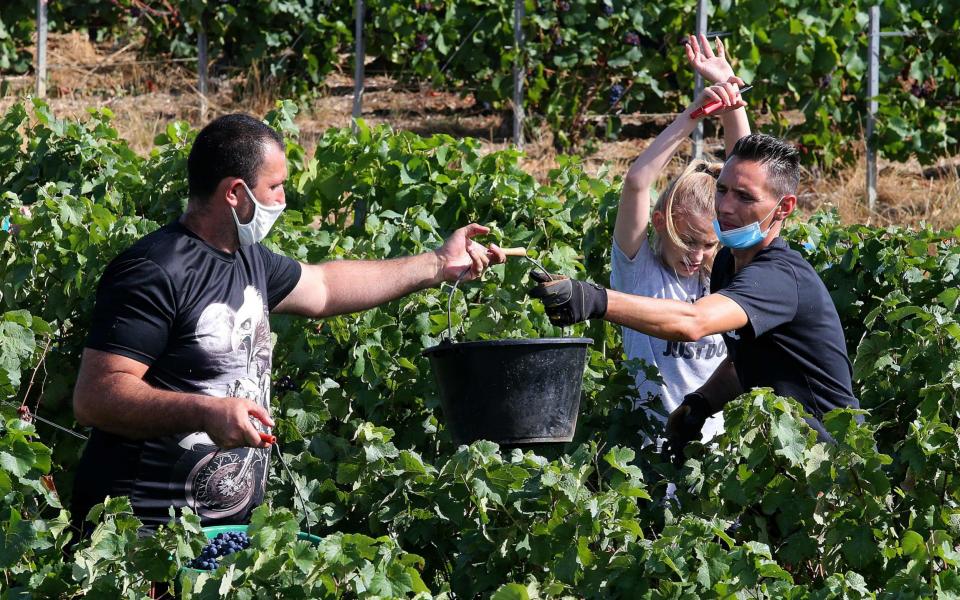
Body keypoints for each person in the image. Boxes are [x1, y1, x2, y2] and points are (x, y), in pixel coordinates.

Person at [70, 113, 506, 532]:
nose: (282, 200)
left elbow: (325, 287)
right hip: (143, 540)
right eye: (275, 187)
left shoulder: (248, 258)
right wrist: (206, 412)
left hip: (222, 538)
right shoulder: (155, 270)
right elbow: (96, 397)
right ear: (235, 193)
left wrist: (437, 264)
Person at [530, 132, 859, 447]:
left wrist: (594, 299)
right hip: (785, 456)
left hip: (830, 464)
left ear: (784, 208)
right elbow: (743, 361)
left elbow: (693, 322)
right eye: (723, 190)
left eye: (744, 197)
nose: (725, 206)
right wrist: (701, 402)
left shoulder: (779, 277)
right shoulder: (727, 262)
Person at [611, 34, 749, 443]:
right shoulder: (638, 270)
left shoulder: (726, 271)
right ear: (659, 222)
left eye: (709, 244)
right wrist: (694, 113)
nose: (698, 255)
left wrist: (733, 101)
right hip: (649, 450)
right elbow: (637, 181)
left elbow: (746, 177)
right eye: (687, 239)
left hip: (718, 453)